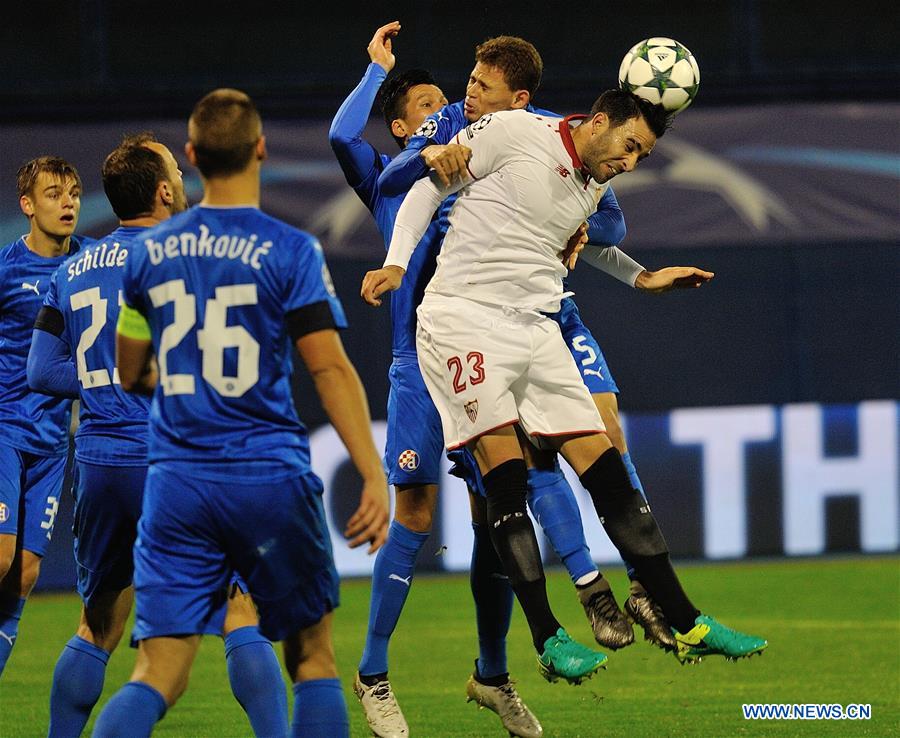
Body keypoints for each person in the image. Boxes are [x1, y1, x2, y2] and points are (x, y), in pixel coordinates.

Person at [362, 90, 768, 669]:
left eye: (641, 157)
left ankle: (686, 620)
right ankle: (548, 638)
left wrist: (644, 278)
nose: (629, 163)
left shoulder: (592, 179)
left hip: (536, 326)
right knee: (505, 477)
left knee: (608, 471)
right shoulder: (512, 131)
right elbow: (428, 189)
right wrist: (398, 264)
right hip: (463, 320)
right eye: (629, 146)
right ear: (598, 121)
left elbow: (574, 241)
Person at [91, 89, 389, 738]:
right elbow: (330, 368)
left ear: (192, 156)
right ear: (259, 149)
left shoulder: (148, 254)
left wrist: (173, 384)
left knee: (157, 673)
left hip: (177, 484)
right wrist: (371, 472)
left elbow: (130, 369)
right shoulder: (292, 251)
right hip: (269, 477)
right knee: (312, 659)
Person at [27, 133, 289, 738]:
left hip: (100, 464)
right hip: (176, 462)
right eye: (175, 169)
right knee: (237, 609)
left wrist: (100, 383)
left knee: (99, 623)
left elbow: (40, 370)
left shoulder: (69, 269)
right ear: (166, 190)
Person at [329, 22, 541, 738]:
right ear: (400, 124)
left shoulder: (490, 171)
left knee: (496, 517)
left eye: (448, 99)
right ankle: (374, 673)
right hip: (417, 364)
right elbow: (340, 138)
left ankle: (493, 676)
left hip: (481, 359)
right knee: (414, 513)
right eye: (426, 105)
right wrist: (374, 70)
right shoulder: (396, 180)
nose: (445, 108)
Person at [0, 157, 89, 677]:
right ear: (28, 206)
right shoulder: (7, 271)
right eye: (54, 194)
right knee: (2, 560)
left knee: (27, 574)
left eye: (75, 193)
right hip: (6, 429)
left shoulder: (90, 264)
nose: (69, 202)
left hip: (55, 442)